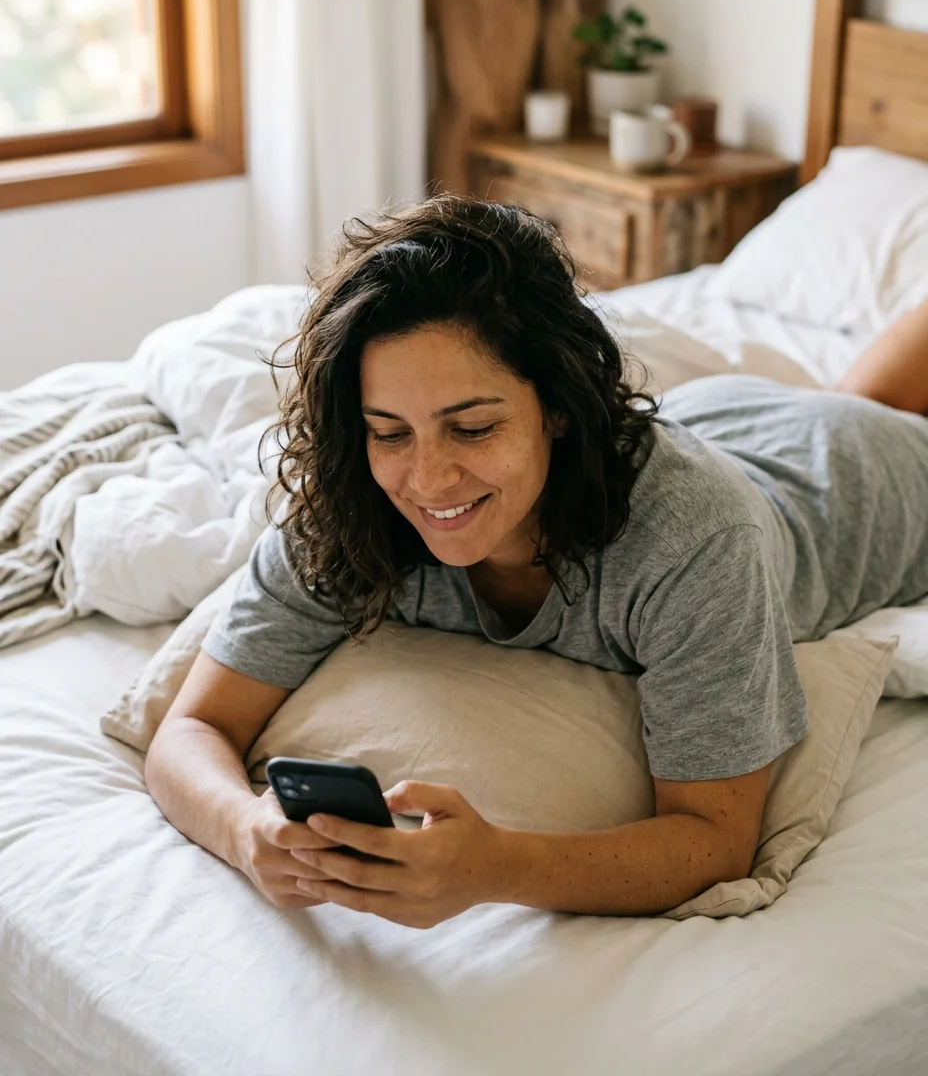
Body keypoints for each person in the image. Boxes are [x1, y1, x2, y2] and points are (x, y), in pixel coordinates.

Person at [144, 197, 928, 927]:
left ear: (557, 405)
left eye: (473, 428)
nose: (427, 480)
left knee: (872, 408)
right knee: (857, 389)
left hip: (868, 480)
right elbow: (192, 729)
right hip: (734, 416)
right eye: (389, 431)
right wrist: (245, 827)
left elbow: (716, 838)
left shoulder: (694, 542)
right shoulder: (353, 510)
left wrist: (498, 867)